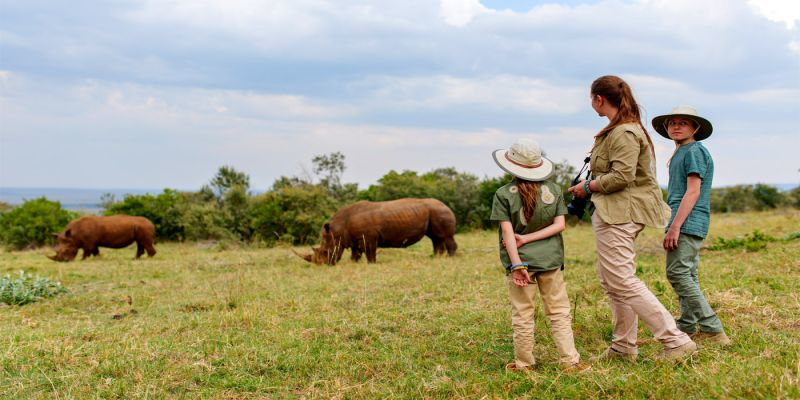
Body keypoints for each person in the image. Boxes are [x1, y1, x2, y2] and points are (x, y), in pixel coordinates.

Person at [568, 75, 697, 361]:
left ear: (599, 99)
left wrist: (587, 186)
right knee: (612, 280)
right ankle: (623, 347)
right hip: (614, 211)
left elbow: (622, 176)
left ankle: (675, 341)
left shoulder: (624, 132)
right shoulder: (619, 129)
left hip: (620, 213)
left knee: (622, 280)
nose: (592, 104)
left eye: (592, 99)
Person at [490, 138, 590, 373]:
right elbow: (560, 226)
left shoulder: (503, 194)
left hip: (520, 263)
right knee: (559, 312)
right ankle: (570, 361)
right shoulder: (554, 190)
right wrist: (531, 238)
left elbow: (508, 234)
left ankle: (524, 364)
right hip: (550, 261)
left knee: (522, 313)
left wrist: (517, 265)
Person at [653, 105, 730, 345]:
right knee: (688, 273)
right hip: (683, 219)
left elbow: (693, 192)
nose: (676, 126)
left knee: (677, 273)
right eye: (672, 122)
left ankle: (712, 328)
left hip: (686, 220)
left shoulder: (694, 151)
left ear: (695, 127)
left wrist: (675, 226)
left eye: (683, 122)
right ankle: (686, 325)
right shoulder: (682, 151)